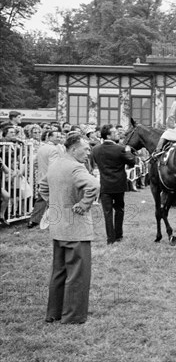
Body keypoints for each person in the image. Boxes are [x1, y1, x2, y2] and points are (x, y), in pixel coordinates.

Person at [39, 134, 99, 324]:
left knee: (59, 272)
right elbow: (94, 185)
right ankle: (73, 316)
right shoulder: (75, 167)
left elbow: (42, 186)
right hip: (76, 230)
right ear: (74, 149)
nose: (89, 153)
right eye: (86, 149)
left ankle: (54, 313)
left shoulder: (56, 163)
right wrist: (83, 204)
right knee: (78, 275)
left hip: (58, 229)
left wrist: (55, 204)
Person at [90, 124, 136, 245]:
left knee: (107, 212)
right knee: (119, 209)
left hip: (105, 184)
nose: (118, 134)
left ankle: (110, 238)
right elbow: (132, 161)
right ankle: (118, 235)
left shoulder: (95, 149)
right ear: (109, 135)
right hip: (119, 184)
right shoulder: (120, 148)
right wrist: (128, 152)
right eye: (115, 133)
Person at [27, 130, 64, 229]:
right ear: (49, 137)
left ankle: (34, 220)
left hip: (42, 177)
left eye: (60, 137)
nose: (59, 138)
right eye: (57, 136)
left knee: (42, 199)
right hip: (51, 177)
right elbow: (54, 165)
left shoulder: (42, 148)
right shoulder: (54, 149)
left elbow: (35, 163)